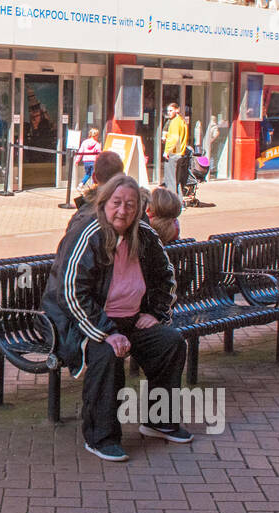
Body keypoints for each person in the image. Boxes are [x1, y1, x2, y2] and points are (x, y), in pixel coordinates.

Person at [43, 173, 190, 462]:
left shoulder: (144, 234)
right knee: (107, 354)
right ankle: (100, 437)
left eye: (130, 205)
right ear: (104, 202)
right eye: (117, 203)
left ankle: (159, 420)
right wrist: (107, 332)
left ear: (139, 208)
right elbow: (71, 292)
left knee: (170, 343)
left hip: (130, 319)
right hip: (79, 323)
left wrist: (155, 313)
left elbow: (165, 276)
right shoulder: (88, 233)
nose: (123, 210)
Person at [161, 103, 188, 195]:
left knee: (171, 181)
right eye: (168, 111)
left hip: (173, 153)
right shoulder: (182, 121)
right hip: (180, 153)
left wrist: (166, 151)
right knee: (177, 181)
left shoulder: (175, 122)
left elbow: (174, 138)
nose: (169, 113)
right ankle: (180, 204)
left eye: (171, 110)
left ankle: (172, 204)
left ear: (177, 110)